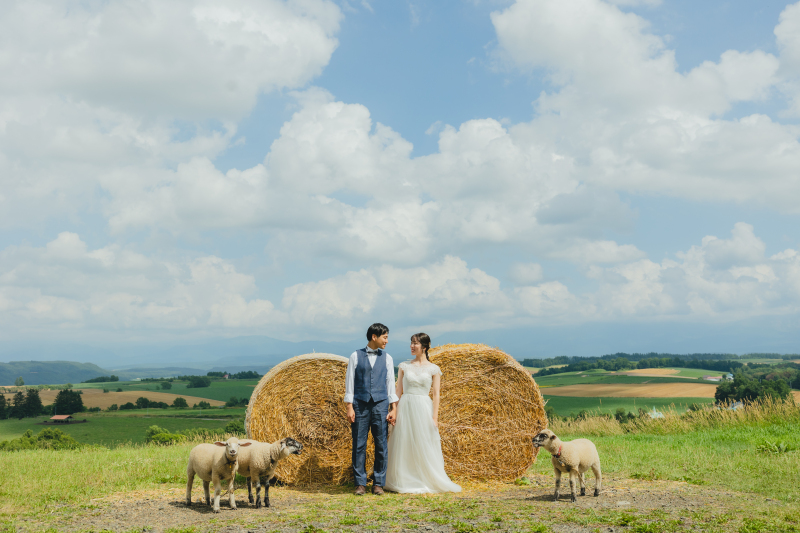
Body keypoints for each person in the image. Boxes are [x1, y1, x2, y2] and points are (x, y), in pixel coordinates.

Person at [384, 333, 461, 494]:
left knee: (423, 441)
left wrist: (435, 417)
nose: (412, 346)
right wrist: (394, 410)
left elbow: (436, 394)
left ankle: (425, 478)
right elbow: (398, 391)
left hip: (423, 407)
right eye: (411, 343)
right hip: (406, 405)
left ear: (424, 347)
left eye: (415, 343)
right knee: (403, 442)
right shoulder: (404, 366)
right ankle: (403, 479)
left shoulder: (434, 369)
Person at [344, 323, 398, 496]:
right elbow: (349, 383)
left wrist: (393, 408)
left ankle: (378, 483)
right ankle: (360, 483)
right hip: (359, 404)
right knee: (359, 444)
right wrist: (349, 407)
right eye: (385, 337)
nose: (387, 341)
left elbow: (391, 384)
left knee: (381, 445)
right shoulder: (355, 356)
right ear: (374, 337)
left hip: (381, 405)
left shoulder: (388, 358)